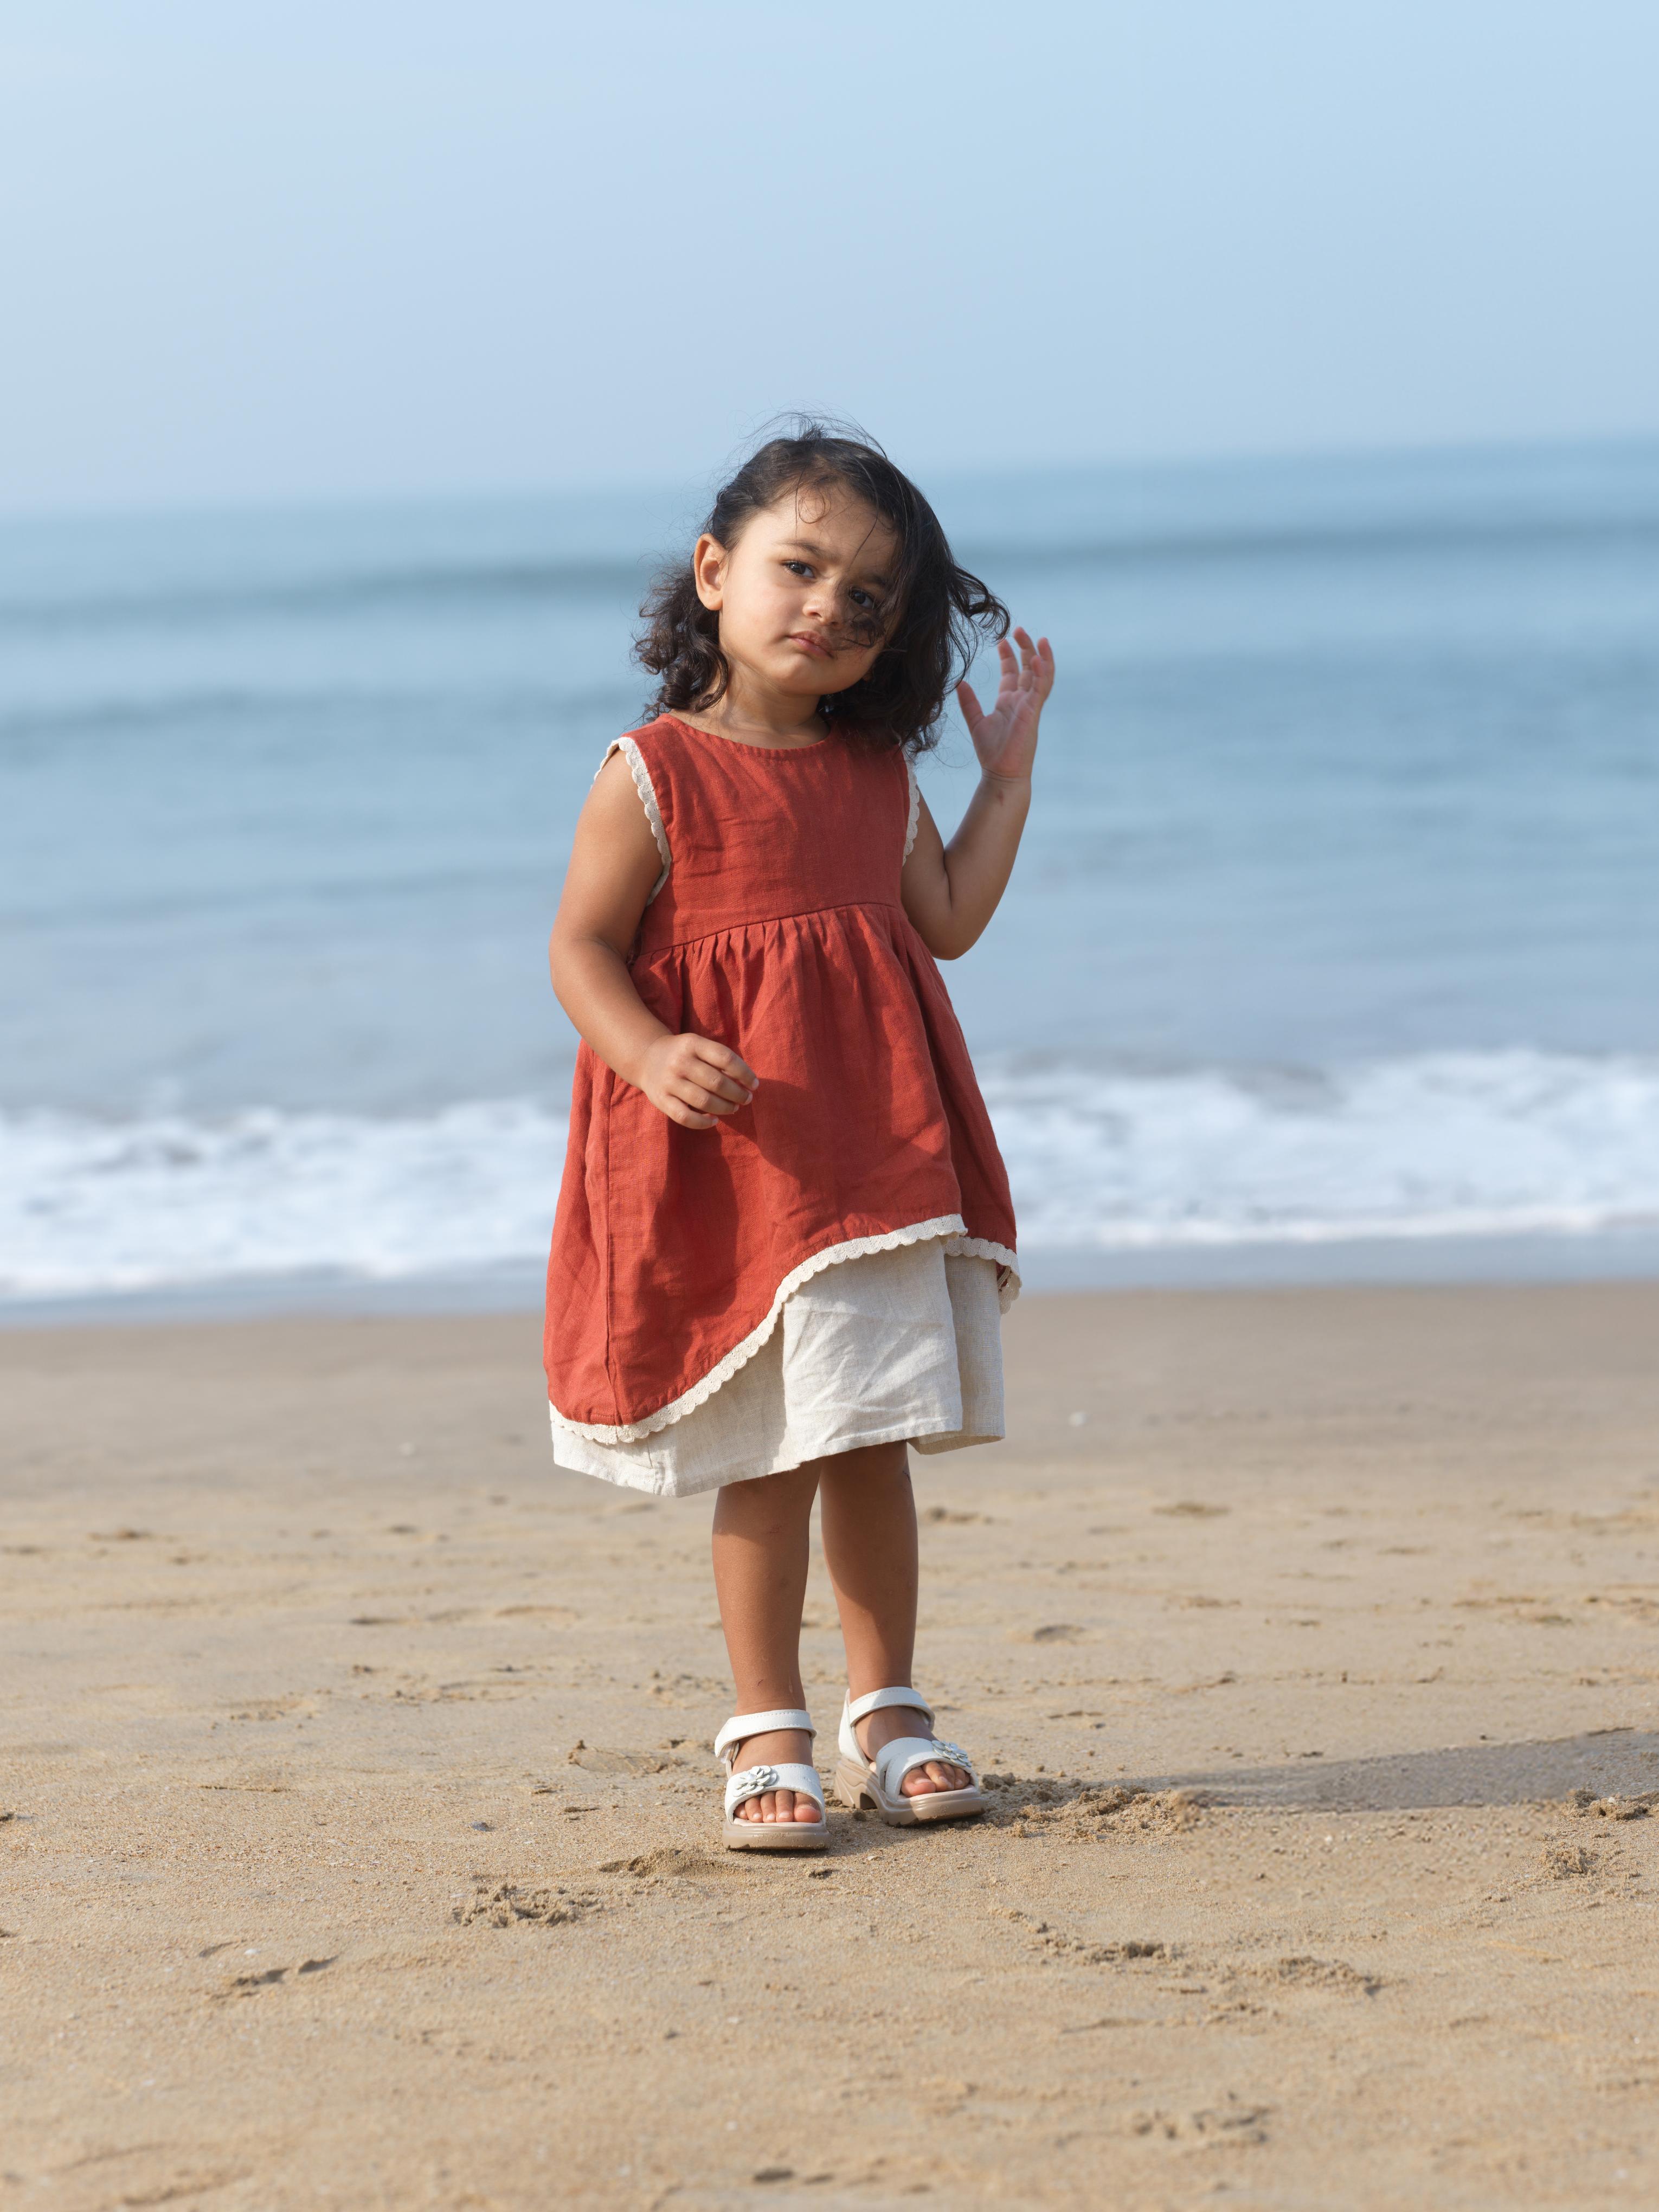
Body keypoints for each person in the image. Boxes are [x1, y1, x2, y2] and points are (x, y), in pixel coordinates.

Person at [545, 421, 1053, 1849]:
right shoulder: (652, 771)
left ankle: (888, 1711)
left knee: (873, 1441)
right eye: (800, 568)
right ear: (716, 572)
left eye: (867, 597)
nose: (828, 607)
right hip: (747, 1170)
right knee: (770, 1455)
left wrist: (1004, 781)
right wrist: (650, 1052)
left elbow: (945, 923)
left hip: (879, 1161)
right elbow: (581, 947)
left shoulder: (877, 772)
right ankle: (764, 1726)